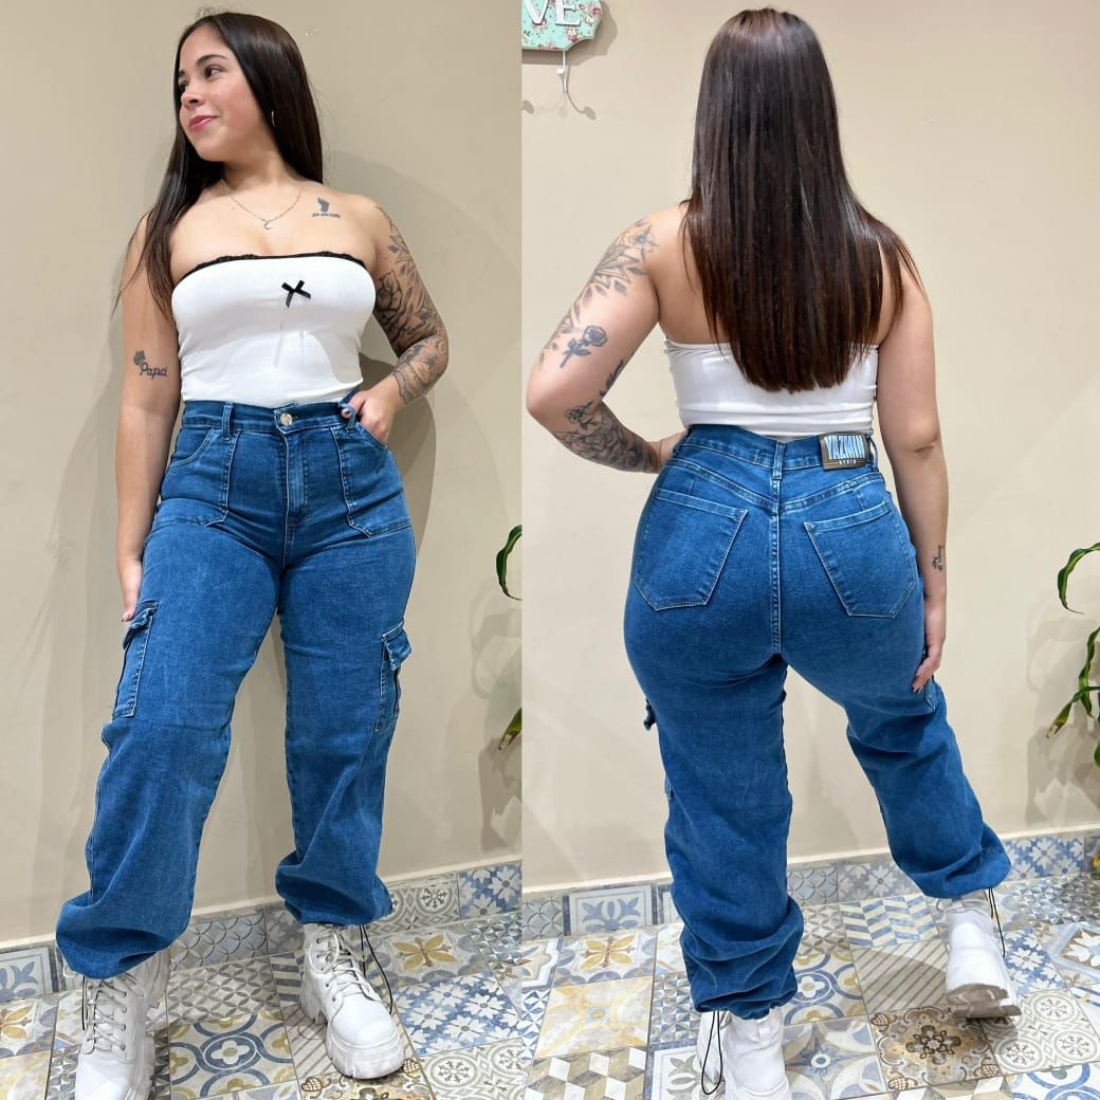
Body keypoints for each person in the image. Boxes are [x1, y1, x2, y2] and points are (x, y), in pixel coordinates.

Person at [526, 8, 1014, 1099]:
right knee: (901, 723)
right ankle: (969, 921)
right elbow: (916, 438)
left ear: (715, 114)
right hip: (853, 528)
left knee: (719, 787)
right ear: (817, 114)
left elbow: (556, 393)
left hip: (702, 528)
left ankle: (751, 1032)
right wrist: (933, 585)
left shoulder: (660, 243)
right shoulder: (882, 258)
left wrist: (650, 454)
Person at [55, 12, 448, 1099]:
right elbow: (147, 399)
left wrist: (389, 394)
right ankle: (121, 977)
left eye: (210, 71)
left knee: (345, 729)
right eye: (179, 80)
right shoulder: (167, 231)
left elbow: (428, 338)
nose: (189, 94)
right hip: (210, 488)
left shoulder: (357, 217)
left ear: (269, 81)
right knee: (162, 727)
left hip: (349, 490)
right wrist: (132, 545)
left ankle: (333, 944)